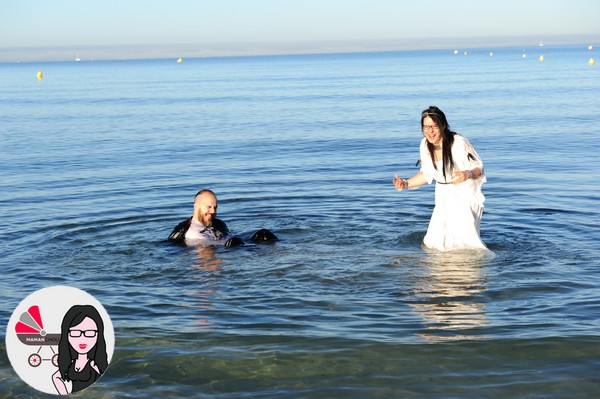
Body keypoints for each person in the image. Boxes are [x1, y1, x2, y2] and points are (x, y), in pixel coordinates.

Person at [392, 106, 487, 251]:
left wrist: (468, 174)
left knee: (464, 243)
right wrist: (405, 183)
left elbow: (479, 168)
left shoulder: (458, 142)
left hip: (464, 196)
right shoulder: (425, 145)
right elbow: (427, 174)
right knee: (434, 241)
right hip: (443, 196)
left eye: (434, 126)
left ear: (443, 125)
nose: (430, 131)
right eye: (426, 127)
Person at [168, 189, 278, 247]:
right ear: (196, 207)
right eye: (209, 207)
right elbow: (169, 247)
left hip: (239, 244)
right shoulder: (184, 230)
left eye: (215, 207)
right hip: (226, 250)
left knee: (263, 233)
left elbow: (228, 235)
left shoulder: (218, 223)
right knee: (233, 241)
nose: (213, 211)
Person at [52, 305, 108, 395]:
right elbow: (56, 377)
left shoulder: (93, 364)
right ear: (67, 334)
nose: (82, 338)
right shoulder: (71, 363)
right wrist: (64, 394)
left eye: (90, 333)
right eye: (75, 333)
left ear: (98, 335)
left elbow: (106, 383)